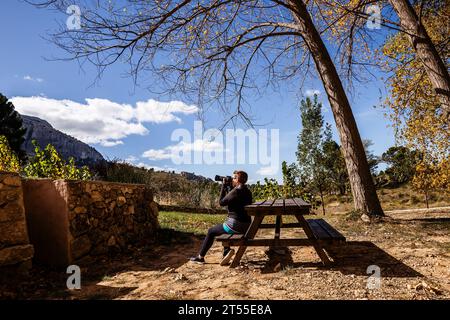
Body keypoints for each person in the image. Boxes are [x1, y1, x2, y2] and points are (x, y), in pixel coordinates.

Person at [190, 170, 253, 265]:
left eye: (234, 177)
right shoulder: (247, 191)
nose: (232, 179)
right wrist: (230, 188)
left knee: (211, 231)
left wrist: (223, 185)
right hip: (247, 225)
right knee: (225, 226)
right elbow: (236, 202)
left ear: (238, 180)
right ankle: (226, 252)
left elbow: (221, 202)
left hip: (236, 226)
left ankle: (200, 257)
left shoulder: (236, 191)